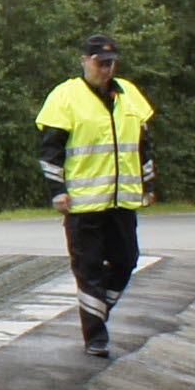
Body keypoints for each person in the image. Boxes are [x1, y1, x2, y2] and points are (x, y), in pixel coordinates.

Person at [37, 32, 155, 357]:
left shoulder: (128, 95)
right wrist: (57, 191)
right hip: (82, 203)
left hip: (121, 199)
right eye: (101, 63)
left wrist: (149, 185)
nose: (106, 69)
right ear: (85, 62)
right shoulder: (65, 96)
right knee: (88, 268)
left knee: (126, 260)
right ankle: (95, 336)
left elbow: (143, 145)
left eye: (111, 63)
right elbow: (50, 152)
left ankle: (97, 309)